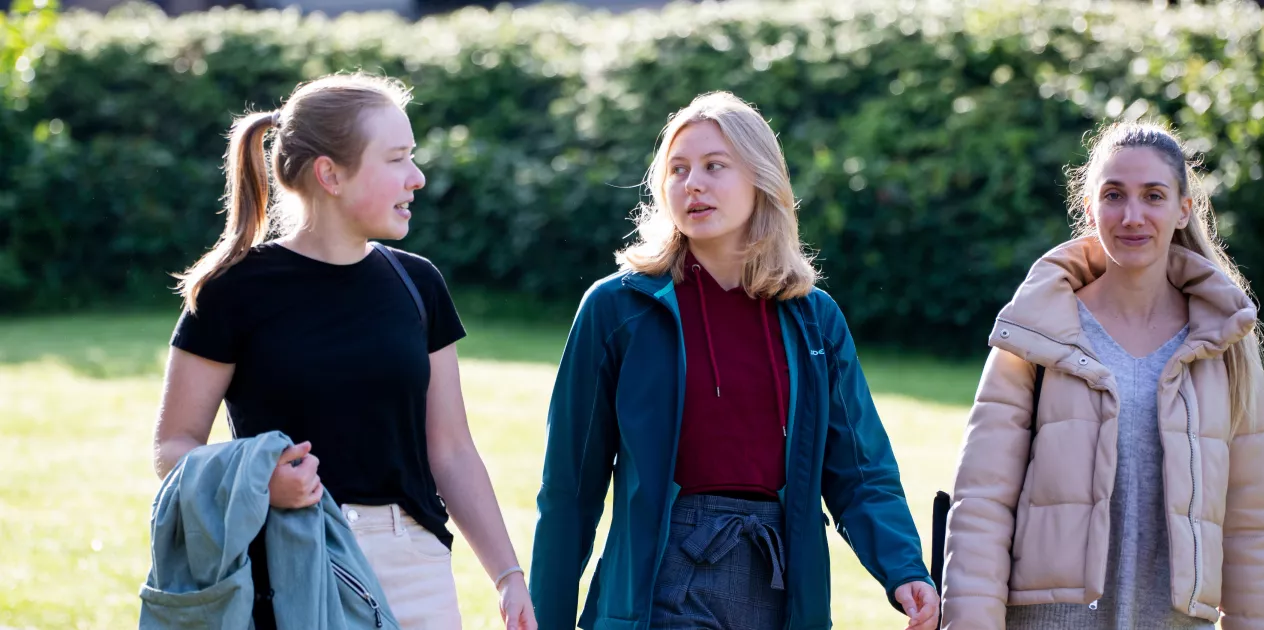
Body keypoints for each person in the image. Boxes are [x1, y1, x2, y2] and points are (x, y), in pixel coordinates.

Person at [529, 91, 939, 630]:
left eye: (714, 166)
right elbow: (570, 487)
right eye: (678, 170)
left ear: (761, 180)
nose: (692, 184)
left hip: (782, 580)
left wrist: (904, 569)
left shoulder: (814, 317)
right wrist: (547, 616)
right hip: (660, 585)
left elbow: (860, 471)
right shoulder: (617, 308)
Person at [151, 72, 536, 630]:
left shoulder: (418, 285)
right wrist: (259, 484)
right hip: (289, 565)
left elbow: (451, 450)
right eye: (397, 159)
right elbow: (172, 446)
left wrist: (507, 575)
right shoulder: (232, 291)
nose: (418, 177)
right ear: (330, 174)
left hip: (418, 570)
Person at [941, 122, 1264, 629]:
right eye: (1114, 195)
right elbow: (982, 504)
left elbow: (1251, 527)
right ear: (1089, 207)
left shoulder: (1224, 345)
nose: (1132, 216)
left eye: (1153, 196)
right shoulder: (1038, 333)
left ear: (1183, 210)